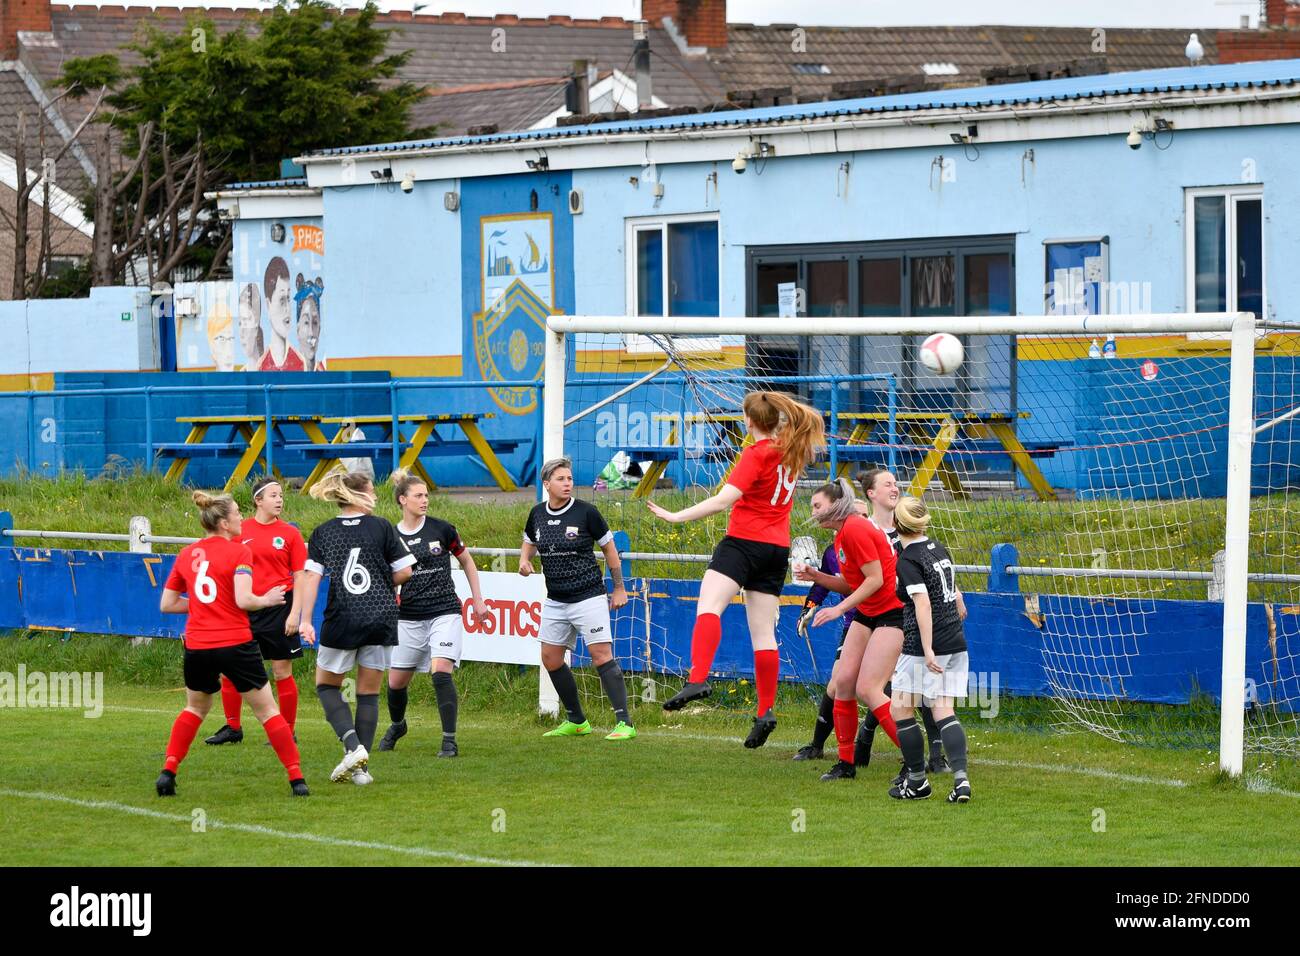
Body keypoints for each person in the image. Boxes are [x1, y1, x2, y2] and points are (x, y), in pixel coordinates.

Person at [649, 390, 825, 749]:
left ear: (748, 422)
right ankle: (765, 710)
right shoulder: (792, 452)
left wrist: (677, 515)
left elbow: (725, 499)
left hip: (743, 542)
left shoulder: (756, 453)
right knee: (764, 635)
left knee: (709, 606)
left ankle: (697, 678)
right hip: (777, 550)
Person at [156, 491, 307, 797]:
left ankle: (168, 771)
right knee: (267, 711)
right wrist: (267, 599)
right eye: (237, 513)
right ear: (224, 523)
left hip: (198, 645)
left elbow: (167, 604)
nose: (241, 518)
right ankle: (297, 779)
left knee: (195, 709)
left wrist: (202, 604)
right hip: (235, 641)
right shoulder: (239, 552)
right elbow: (243, 600)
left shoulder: (188, 554)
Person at [297, 472, 415, 785]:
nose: (375, 496)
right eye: (372, 491)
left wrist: (305, 619)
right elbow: (405, 570)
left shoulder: (324, 532)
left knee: (326, 686)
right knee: (368, 693)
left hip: (343, 617)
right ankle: (361, 770)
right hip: (381, 615)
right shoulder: (382, 526)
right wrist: (378, 583)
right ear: (358, 495)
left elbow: (311, 577)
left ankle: (352, 748)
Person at [793, 477, 904, 781]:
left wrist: (839, 608)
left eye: (817, 505)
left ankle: (914, 762)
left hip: (891, 614)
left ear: (835, 504)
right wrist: (817, 575)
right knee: (842, 682)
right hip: (868, 614)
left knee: (868, 689)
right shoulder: (842, 535)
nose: (813, 511)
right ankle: (846, 764)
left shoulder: (855, 527)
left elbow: (876, 580)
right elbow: (853, 584)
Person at [520, 457, 635, 741]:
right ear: (547, 485)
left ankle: (624, 723)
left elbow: (609, 550)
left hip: (588, 597)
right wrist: (524, 560)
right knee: (550, 658)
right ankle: (577, 720)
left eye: (570, 478)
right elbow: (529, 540)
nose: (568, 483)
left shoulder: (586, 513)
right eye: (561, 479)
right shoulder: (537, 514)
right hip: (556, 600)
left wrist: (619, 587)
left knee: (601, 656)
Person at [378, 469, 489, 757]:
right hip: (409, 617)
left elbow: (467, 561)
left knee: (440, 672)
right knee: (395, 683)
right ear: (403, 500)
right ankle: (398, 725)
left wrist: (478, 600)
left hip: (445, 611)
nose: (425, 500)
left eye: (427, 495)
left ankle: (449, 741)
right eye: (418, 496)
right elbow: (385, 576)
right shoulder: (390, 536)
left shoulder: (442, 529)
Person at [854, 468, 952, 775]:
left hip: (910, 614)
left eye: (896, 483)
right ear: (871, 494)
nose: (895, 488)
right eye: (888, 484)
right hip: (882, 616)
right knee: (873, 685)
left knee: (915, 686)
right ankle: (864, 746)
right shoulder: (865, 529)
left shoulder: (908, 527)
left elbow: (929, 566)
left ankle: (932, 758)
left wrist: (956, 593)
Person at [206, 478, 308, 745]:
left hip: (278, 608)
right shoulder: (240, 530)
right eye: (273, 495)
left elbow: (300, 576)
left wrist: (295, 613)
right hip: (246, 608)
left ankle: (287, 730)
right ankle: (233, 728)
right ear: (258, 500)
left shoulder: (290, 534)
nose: (279, 500)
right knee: (230, 669)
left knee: (281, 671)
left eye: (281, 495)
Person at [888, 496, 972, 803]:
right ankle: (961, 781)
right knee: (942, 710)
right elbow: (948, 585)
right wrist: (960, 599)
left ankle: (917, 782)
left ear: (898, 524)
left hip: (925, 644)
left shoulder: (908, 560)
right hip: (955, 638)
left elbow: (922, 602)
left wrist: (926, 648)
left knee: (900, 707)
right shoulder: (937, 547)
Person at [790, 499, 871, 761]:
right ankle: (817, 745)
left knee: (894, 689)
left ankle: (927, 755)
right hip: (854, 626)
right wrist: (809, 607)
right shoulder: (832, 552)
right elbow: (823, 585)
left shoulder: (880, 547)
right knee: (837, 685)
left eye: (865, 515)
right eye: (856, 515)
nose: (861, 520)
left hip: (887, 625)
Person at [257, 257, 306, 371]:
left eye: (288, 299)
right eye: (282, 300)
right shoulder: (261, 366)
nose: (287, 308)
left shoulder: (300, 363)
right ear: (268, 305)